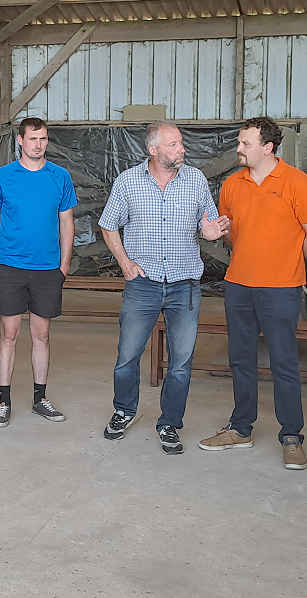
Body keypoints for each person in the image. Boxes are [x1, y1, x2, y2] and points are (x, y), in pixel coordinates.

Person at [198, 117, 307, 470]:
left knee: (284, 363)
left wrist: (281, 260)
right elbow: (228, 232)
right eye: (240, 142)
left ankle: (291, 437)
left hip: (281, 288)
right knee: (241, 360)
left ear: (268, 147)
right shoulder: (231, 185)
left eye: (245, 144)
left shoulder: (298, 184)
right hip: (239, 285)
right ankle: (241, 429)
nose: (238, 149)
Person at [98, 122, 230, 454]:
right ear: (153, 150)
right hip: (142, 284)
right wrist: (125, 263)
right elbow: (108, 226)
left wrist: (211, 232)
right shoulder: (128, 181)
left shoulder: (196, 180)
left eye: (181, 143)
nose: (182, 149)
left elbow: (207, 223)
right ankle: (123, 411)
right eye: (173, 145)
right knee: (127, 356)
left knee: (181, 361)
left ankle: (170, 423)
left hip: (184, 285)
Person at [0, 117, 76, 428]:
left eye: (44, 139)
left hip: (48, 269)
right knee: (8, 334)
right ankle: (4, 400)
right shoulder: (2, 177)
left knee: (42, 335)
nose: (39, 144)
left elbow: (67, 224)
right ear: (20, 141)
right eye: (33, 139)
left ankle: (40, 399)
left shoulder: (60, 177)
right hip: (10, 268)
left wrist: (63, 267)